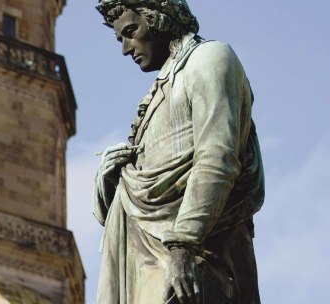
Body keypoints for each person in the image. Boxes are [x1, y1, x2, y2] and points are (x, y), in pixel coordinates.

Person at [92, 1, 264, 303]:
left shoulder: (209, 59)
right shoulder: (159, 91)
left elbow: (218, 158)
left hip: (194, 258)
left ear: (158, 20)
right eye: (120, 38)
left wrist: (183, 244)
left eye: (131, 32)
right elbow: (139, 191)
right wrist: (111, 178)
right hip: (143, 259)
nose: (126, 48)